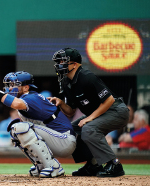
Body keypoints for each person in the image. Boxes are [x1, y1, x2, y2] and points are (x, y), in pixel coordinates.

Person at [0, 70, 76, 178]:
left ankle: (53, 166)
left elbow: (15, 103)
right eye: (10, 85)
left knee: (21, 128)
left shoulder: (31, 97)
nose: (11, 88)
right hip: (57, 139)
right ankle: (41, 164)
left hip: (65, 140)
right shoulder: (27, 97)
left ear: (26, 87)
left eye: (14, 85)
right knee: (15, 131)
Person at [49, 48, 129, 177]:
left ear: (75, 64)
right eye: (58, 62)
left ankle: (114, 165)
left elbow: (109, 100)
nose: (59, 65)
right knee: (71, 129)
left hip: (116, 110)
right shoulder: (65, 82)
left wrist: (89, 118)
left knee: (88, 128)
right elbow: (70, 112)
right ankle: (93, 164)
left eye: (63, 61)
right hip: (100, 113)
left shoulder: (87, 77)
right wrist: (61, 103)